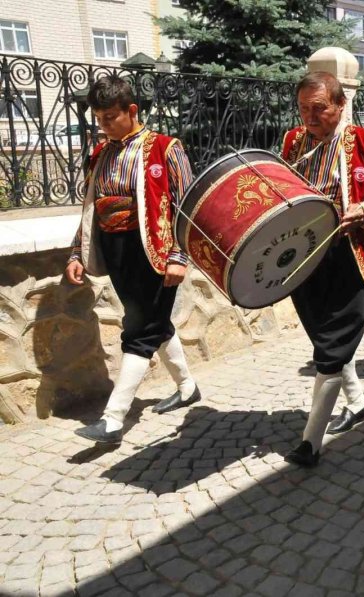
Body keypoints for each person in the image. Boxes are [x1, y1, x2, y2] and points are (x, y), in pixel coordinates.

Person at [67, 76, 200, 445]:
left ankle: (112, 420)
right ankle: (187, 388)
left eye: (111, 116)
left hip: (155, 255)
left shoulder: (164, 148)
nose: (104, 124)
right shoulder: (100, 152)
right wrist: (79, 252)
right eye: (99, 117)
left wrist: (179, 255)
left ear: (132, 111)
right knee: (153, 323)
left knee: (139, 331)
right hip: (116, 251)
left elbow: (187, 207)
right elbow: (90, 207)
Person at [281, 72, 364, 467]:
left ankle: (310, 442)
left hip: (347, 256)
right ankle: (359, 403)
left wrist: (363, 210)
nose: (310, 118)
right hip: (304, 257)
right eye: (303, 109)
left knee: (331, 347)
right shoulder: (291, 143)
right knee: (323, 338)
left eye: (319, 109)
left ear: (340, 105)